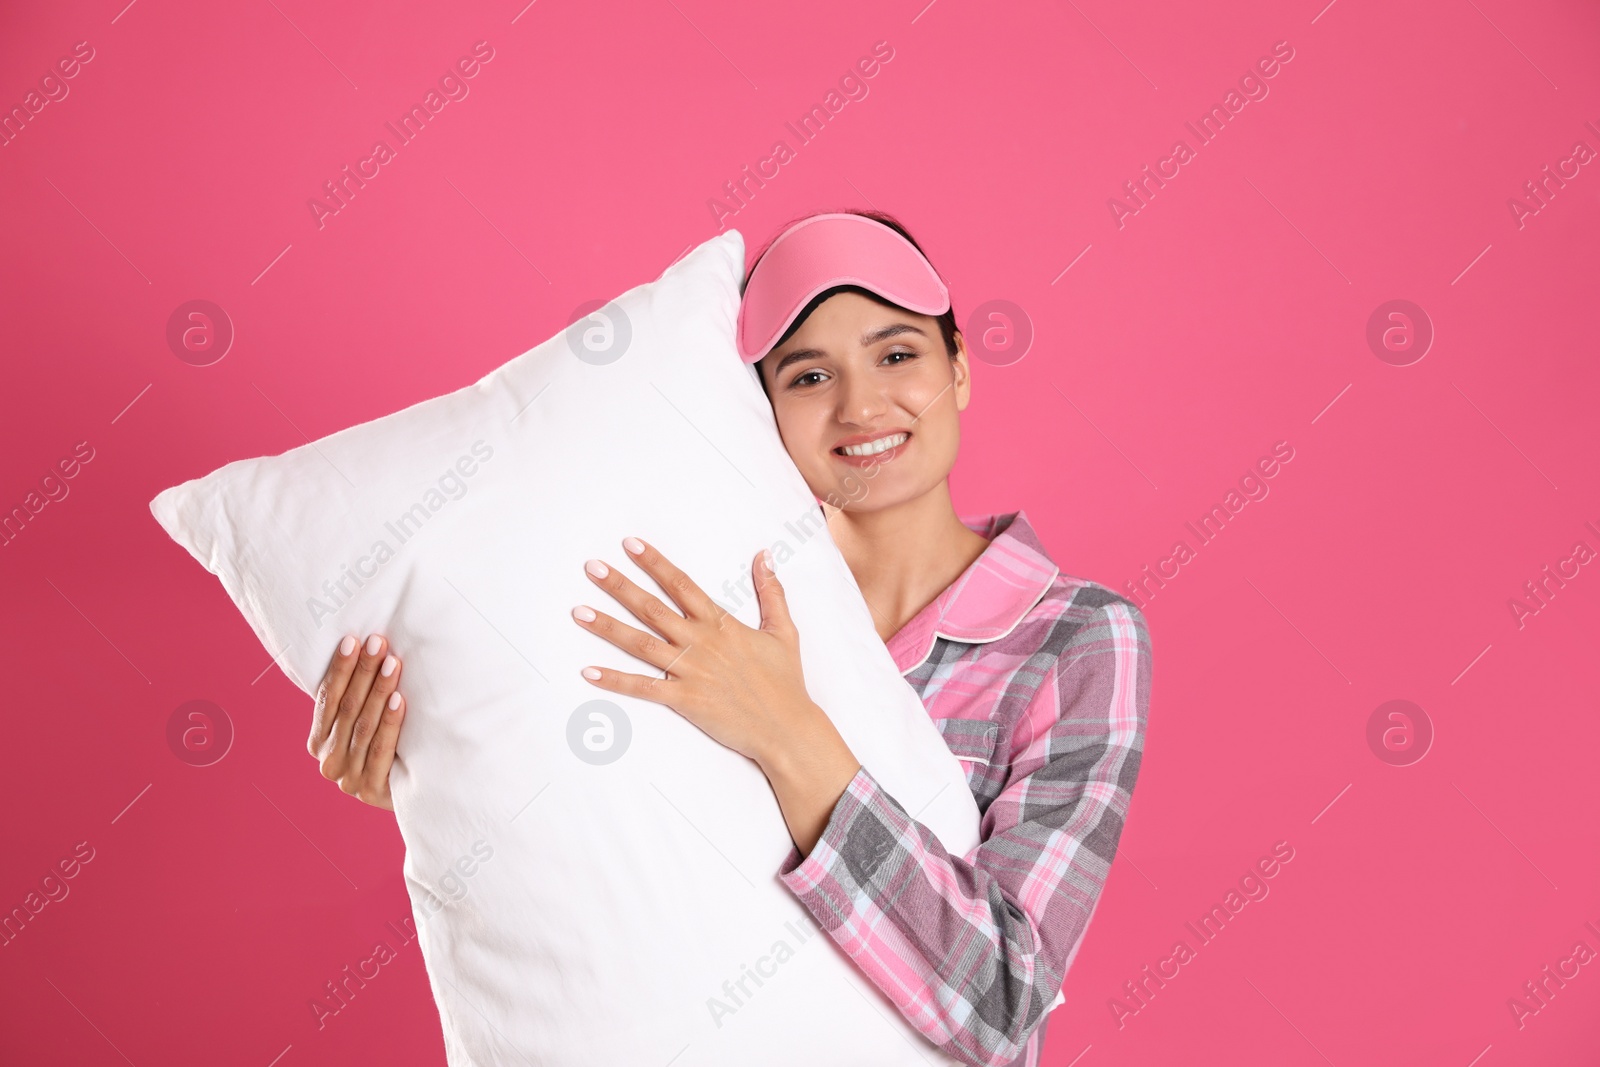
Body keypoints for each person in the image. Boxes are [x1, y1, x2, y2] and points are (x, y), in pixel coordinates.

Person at [305, 210, 1152, 1067]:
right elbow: (620, 857)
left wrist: (790, 731)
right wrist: (434, 774)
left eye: (898, 355)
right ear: (763, 412)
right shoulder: (707, 594)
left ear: (960, 367)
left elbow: (1004, 1006)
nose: (861, 405)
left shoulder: (1073, 641)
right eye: (809, 375)